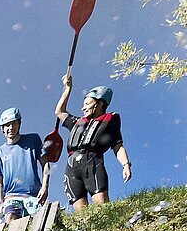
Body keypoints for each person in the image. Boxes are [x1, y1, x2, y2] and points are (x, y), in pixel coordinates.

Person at [54, 74, 132, 209]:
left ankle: (108, 228)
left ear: (100, 103)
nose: (83, 108)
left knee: (102, 206)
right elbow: (59, 111)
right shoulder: (77, 122)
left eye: (87, 104)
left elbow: (117, 146)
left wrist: (126, 165)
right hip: (72, 167)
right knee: (81, 212)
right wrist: (68, 88)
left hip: (93, 163)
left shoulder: (110, 121)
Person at [0, 107, 49, 222]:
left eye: (14, 123)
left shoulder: (33, 139)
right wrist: (0, 201)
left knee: (37, 227)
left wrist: (45, 187)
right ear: (2, 129)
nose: (11, 128)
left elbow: (45, 164)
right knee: (11, 222)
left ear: (19, 123)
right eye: (7, 125)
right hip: (11, 197)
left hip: (34, 196)